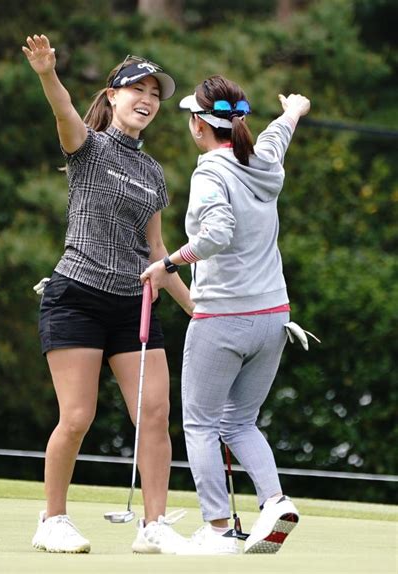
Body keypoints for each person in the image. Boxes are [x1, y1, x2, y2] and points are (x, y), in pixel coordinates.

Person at [22, 34, 194, 555]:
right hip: (76, 296)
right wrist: (48, 73)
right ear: (113, 96)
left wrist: (201, 310)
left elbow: (158, 252)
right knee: (76, 418)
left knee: (156, 415)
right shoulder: (87, 147)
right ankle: (52, 520)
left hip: (131, 304)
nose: (147, 99)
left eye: (155, 94)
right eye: (136, 89)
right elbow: (64, 109)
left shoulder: (153, 173)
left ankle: (155, 525)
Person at [141, 75, 311, 555]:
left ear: (198, 125)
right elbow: (278, 135)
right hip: (274, 317)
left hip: (223, 318)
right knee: (240, 422)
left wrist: (167, 263)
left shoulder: (210, 172)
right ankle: (275, 501)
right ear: (237, 122)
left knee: (200, 424)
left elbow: (215, 234)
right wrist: (293, 110)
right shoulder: (264, 160)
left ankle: (218, 529)